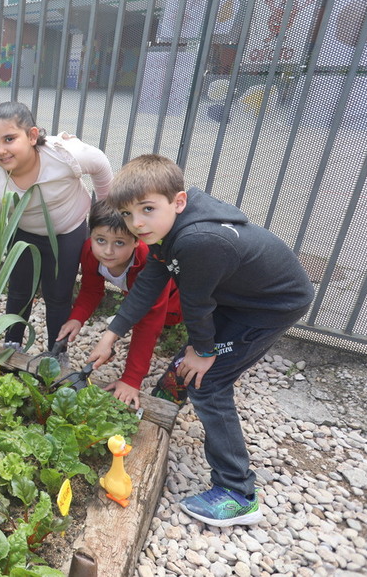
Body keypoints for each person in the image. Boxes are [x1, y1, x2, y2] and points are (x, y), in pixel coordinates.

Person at [88, 154, 313, 527]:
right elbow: (148, 285)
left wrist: (204, 351)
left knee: (209, 383)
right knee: (190, 363)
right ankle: (158, 415)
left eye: (146, 209)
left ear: (178, 201)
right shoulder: (165, 229)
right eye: (128, 214)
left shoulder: (197, 241)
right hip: (241, 297)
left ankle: (237, 493)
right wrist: (111, 334)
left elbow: (197, 307)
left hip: (269, 305)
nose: (137, 222)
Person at [0, 102, 113, 350]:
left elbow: (101, 164)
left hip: (67, 231)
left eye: (9, 139)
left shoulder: (63, 155)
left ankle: (56, 352)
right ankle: (12, 345)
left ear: (32, 136)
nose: (1, 150)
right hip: (24, 234)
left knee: (58, 295)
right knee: (18, 292)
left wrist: (104, 214)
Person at [56, 200, 182, 409]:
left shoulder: (149, 260)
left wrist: (132, 378)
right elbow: (91, 289)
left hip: (177, 301)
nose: (108, 251)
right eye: (101, 240)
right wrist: (77, 317)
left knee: (171, 325)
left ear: (136, 240)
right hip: (136, 296)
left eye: (119, 243)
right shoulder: (90, 250)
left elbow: (149, 322)